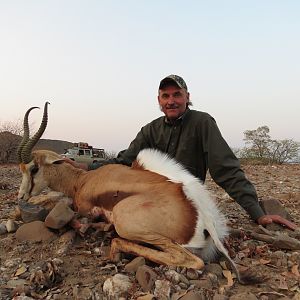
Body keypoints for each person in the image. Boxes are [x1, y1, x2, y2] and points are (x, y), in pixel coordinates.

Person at [66, 74, 296, 230]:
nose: (171, 101)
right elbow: (124, 160)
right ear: (159, 100)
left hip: (185, 200)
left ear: (187, 97)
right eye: (166, 96)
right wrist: (88, 168)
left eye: (177, 94)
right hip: (152, 198)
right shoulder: (150, 130)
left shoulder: (202, 123)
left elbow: (225, 169)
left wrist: (257, 213)